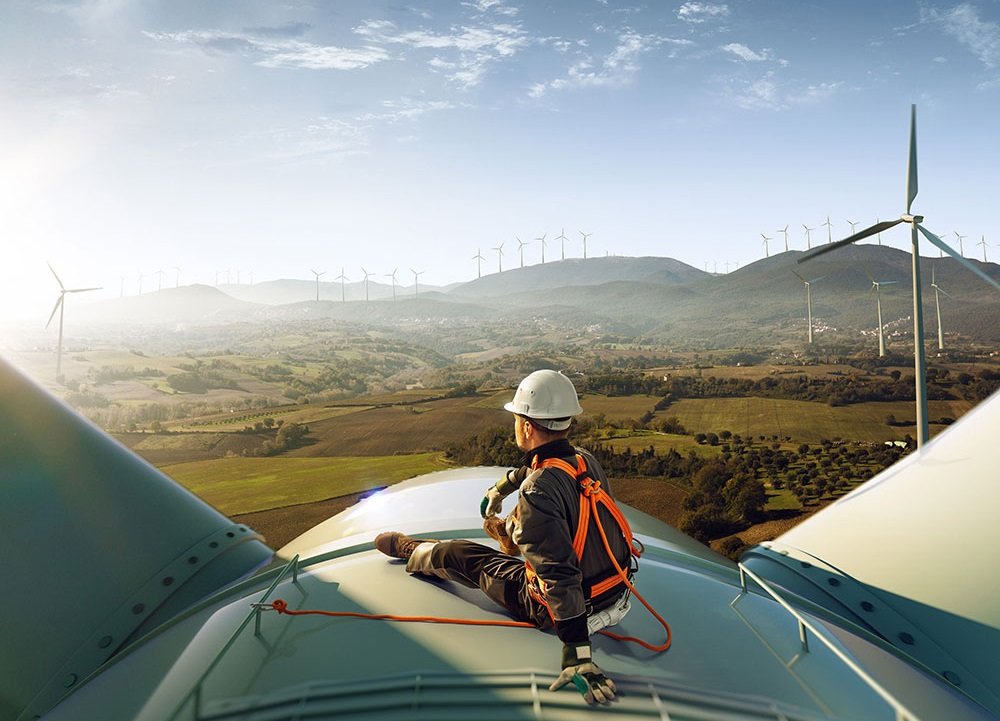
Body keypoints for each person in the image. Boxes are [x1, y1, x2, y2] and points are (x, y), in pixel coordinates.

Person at [374, 369, 636, 706]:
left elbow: (559, 575)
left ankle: (415, 551)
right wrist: (502, 487)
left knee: (461, 554)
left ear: (527, 426)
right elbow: (539, 467)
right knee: (531, 526)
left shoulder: (538, 490)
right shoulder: (584, 460)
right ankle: (512, 533)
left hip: (567, 609)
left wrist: (577, 653)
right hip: (617, 591)